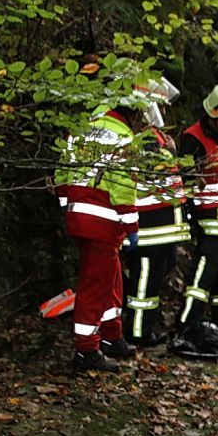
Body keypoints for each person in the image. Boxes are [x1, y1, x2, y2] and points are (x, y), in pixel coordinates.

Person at [55, 85, 157, 372]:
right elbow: (123, 185)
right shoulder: (123, 137)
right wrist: (131, 224)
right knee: (96, 284)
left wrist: (67, 203)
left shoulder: (83, 128)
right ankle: (86, 350)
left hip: (79, 216)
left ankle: (112, 336)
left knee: (111, 277)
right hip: (102, 220)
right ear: (133, 113)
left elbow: (62, 170)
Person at [170, 84, 218, 357]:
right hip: (208, 217)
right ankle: (187, 325)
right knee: (204, 274)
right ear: (212, 115)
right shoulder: (193, 139)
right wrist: (191, 216)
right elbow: (186, 182)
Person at [122, 77, 190, 347]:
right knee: (144, 284)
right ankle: (138, 332)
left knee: (154, 278)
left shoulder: (158, 136)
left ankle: (143, 327)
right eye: (160, 106)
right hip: (149, 228)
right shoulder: (144, 140)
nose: (163, 111)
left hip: (163, 227)